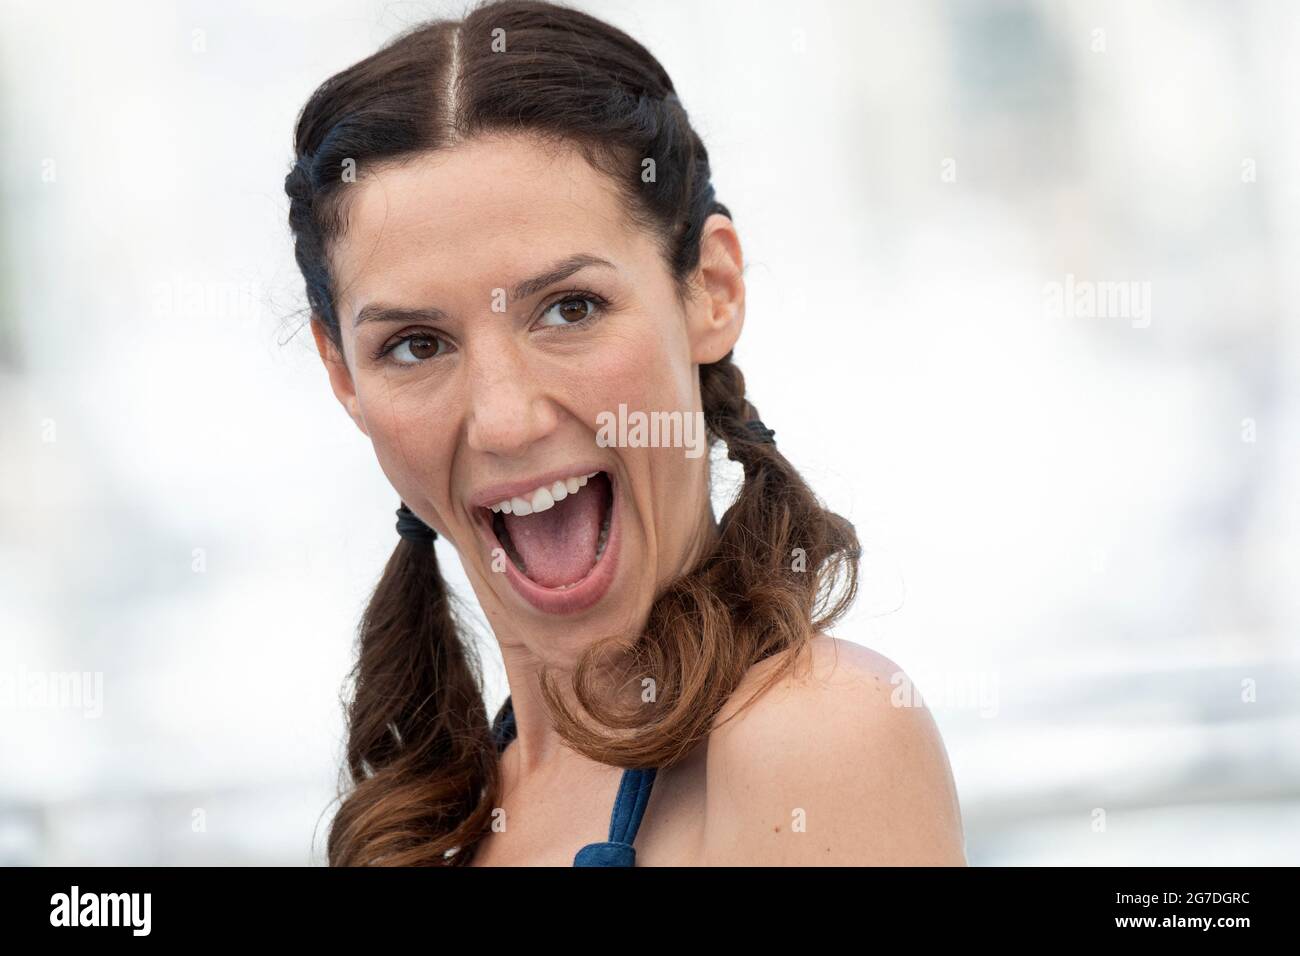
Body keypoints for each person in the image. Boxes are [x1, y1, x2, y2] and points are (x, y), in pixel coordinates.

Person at [284, 0, 966, 866]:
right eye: (416, 345)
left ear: (710, 291)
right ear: (342, 374)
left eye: (570, 308)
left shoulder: (820, 733)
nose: (506, 420)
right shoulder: (431, 823)